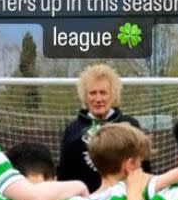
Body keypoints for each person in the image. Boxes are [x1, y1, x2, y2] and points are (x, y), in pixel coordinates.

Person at [57, 63, 149, 192]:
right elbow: (65, 175)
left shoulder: (130, 125)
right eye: (92, 93)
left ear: (113, 95)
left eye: (103, 93)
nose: (98, 99)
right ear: (85, 96)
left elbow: (143, 168)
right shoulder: (73, 129)